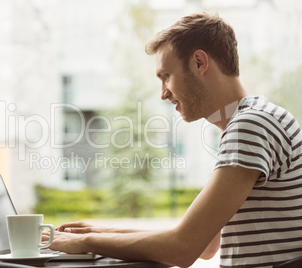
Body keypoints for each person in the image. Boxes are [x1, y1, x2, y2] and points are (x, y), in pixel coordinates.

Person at [44, 12, 302, 267]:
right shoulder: (253, 120)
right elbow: (204, 244)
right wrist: (101, 233)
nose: (163, 93)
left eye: (166, 76)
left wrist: (87, 242)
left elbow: (184, 248)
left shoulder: (251, 126)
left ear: (200, 63)